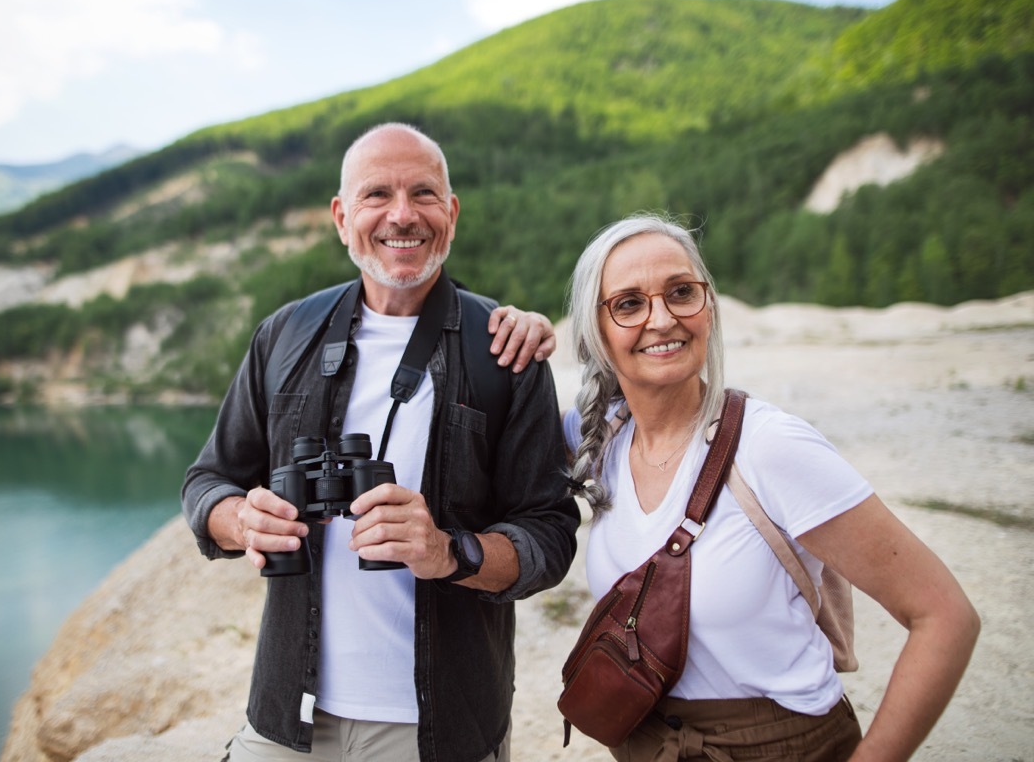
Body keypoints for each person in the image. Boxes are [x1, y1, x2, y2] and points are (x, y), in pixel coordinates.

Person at [182, 122, 580, 762]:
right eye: (376, 195)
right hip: (287, 715)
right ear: (342, 217)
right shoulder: (285, 335)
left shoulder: (505, 349)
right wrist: (241, 521)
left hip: (441, 727)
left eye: (424, 193)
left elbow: (551, 534)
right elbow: (206, 482)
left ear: (450, 214)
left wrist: (450, 552)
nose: (402, 214)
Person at [562, 214, 979, 761]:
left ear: (709, 307)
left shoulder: (770, 446)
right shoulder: (600, 436)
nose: (662, 318)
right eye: (629, 303)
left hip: (777, 746)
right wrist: (514, 322)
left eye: (682, 292)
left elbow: (946, 616)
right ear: (596, 329)